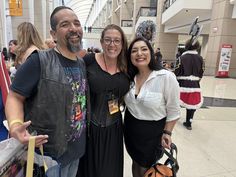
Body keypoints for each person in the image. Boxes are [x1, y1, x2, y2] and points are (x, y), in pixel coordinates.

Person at [5, 6, 88, 177]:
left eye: (76, 23)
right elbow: (14, 96)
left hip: (76, 152)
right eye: (65, 24)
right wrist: (15, 126)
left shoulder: (80, 63)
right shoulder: (39, 61)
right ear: (53, 34)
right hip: (48, 155)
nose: (73, 28)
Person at [124, 37, 180, 177]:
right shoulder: (129, 77)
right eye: (134, 51)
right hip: (131, 130)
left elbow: (173, 110)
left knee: (147, 169)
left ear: (151, 52)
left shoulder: (166, 77)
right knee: (136, 164)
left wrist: (167, 133)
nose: (139, 54)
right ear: (129, 56)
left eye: (144, 49)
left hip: (152, 134)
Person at [78, 24, 130, 177]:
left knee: (109, 171)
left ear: (122, 43)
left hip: (114, 128)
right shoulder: (88, 60)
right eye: (107, 40)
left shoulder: (127, 66)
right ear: (101, 42)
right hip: (90, 129)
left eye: (116, 40)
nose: (112, 44)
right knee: (89, 170)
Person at [174, 39, 204, 130]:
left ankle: (173, 118)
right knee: (192, 104)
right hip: (195, 84)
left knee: (176, 101)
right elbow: (201, 72)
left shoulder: (181, 58)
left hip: (182, 83)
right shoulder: (200, 58)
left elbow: (177, 70)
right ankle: (189, 122)